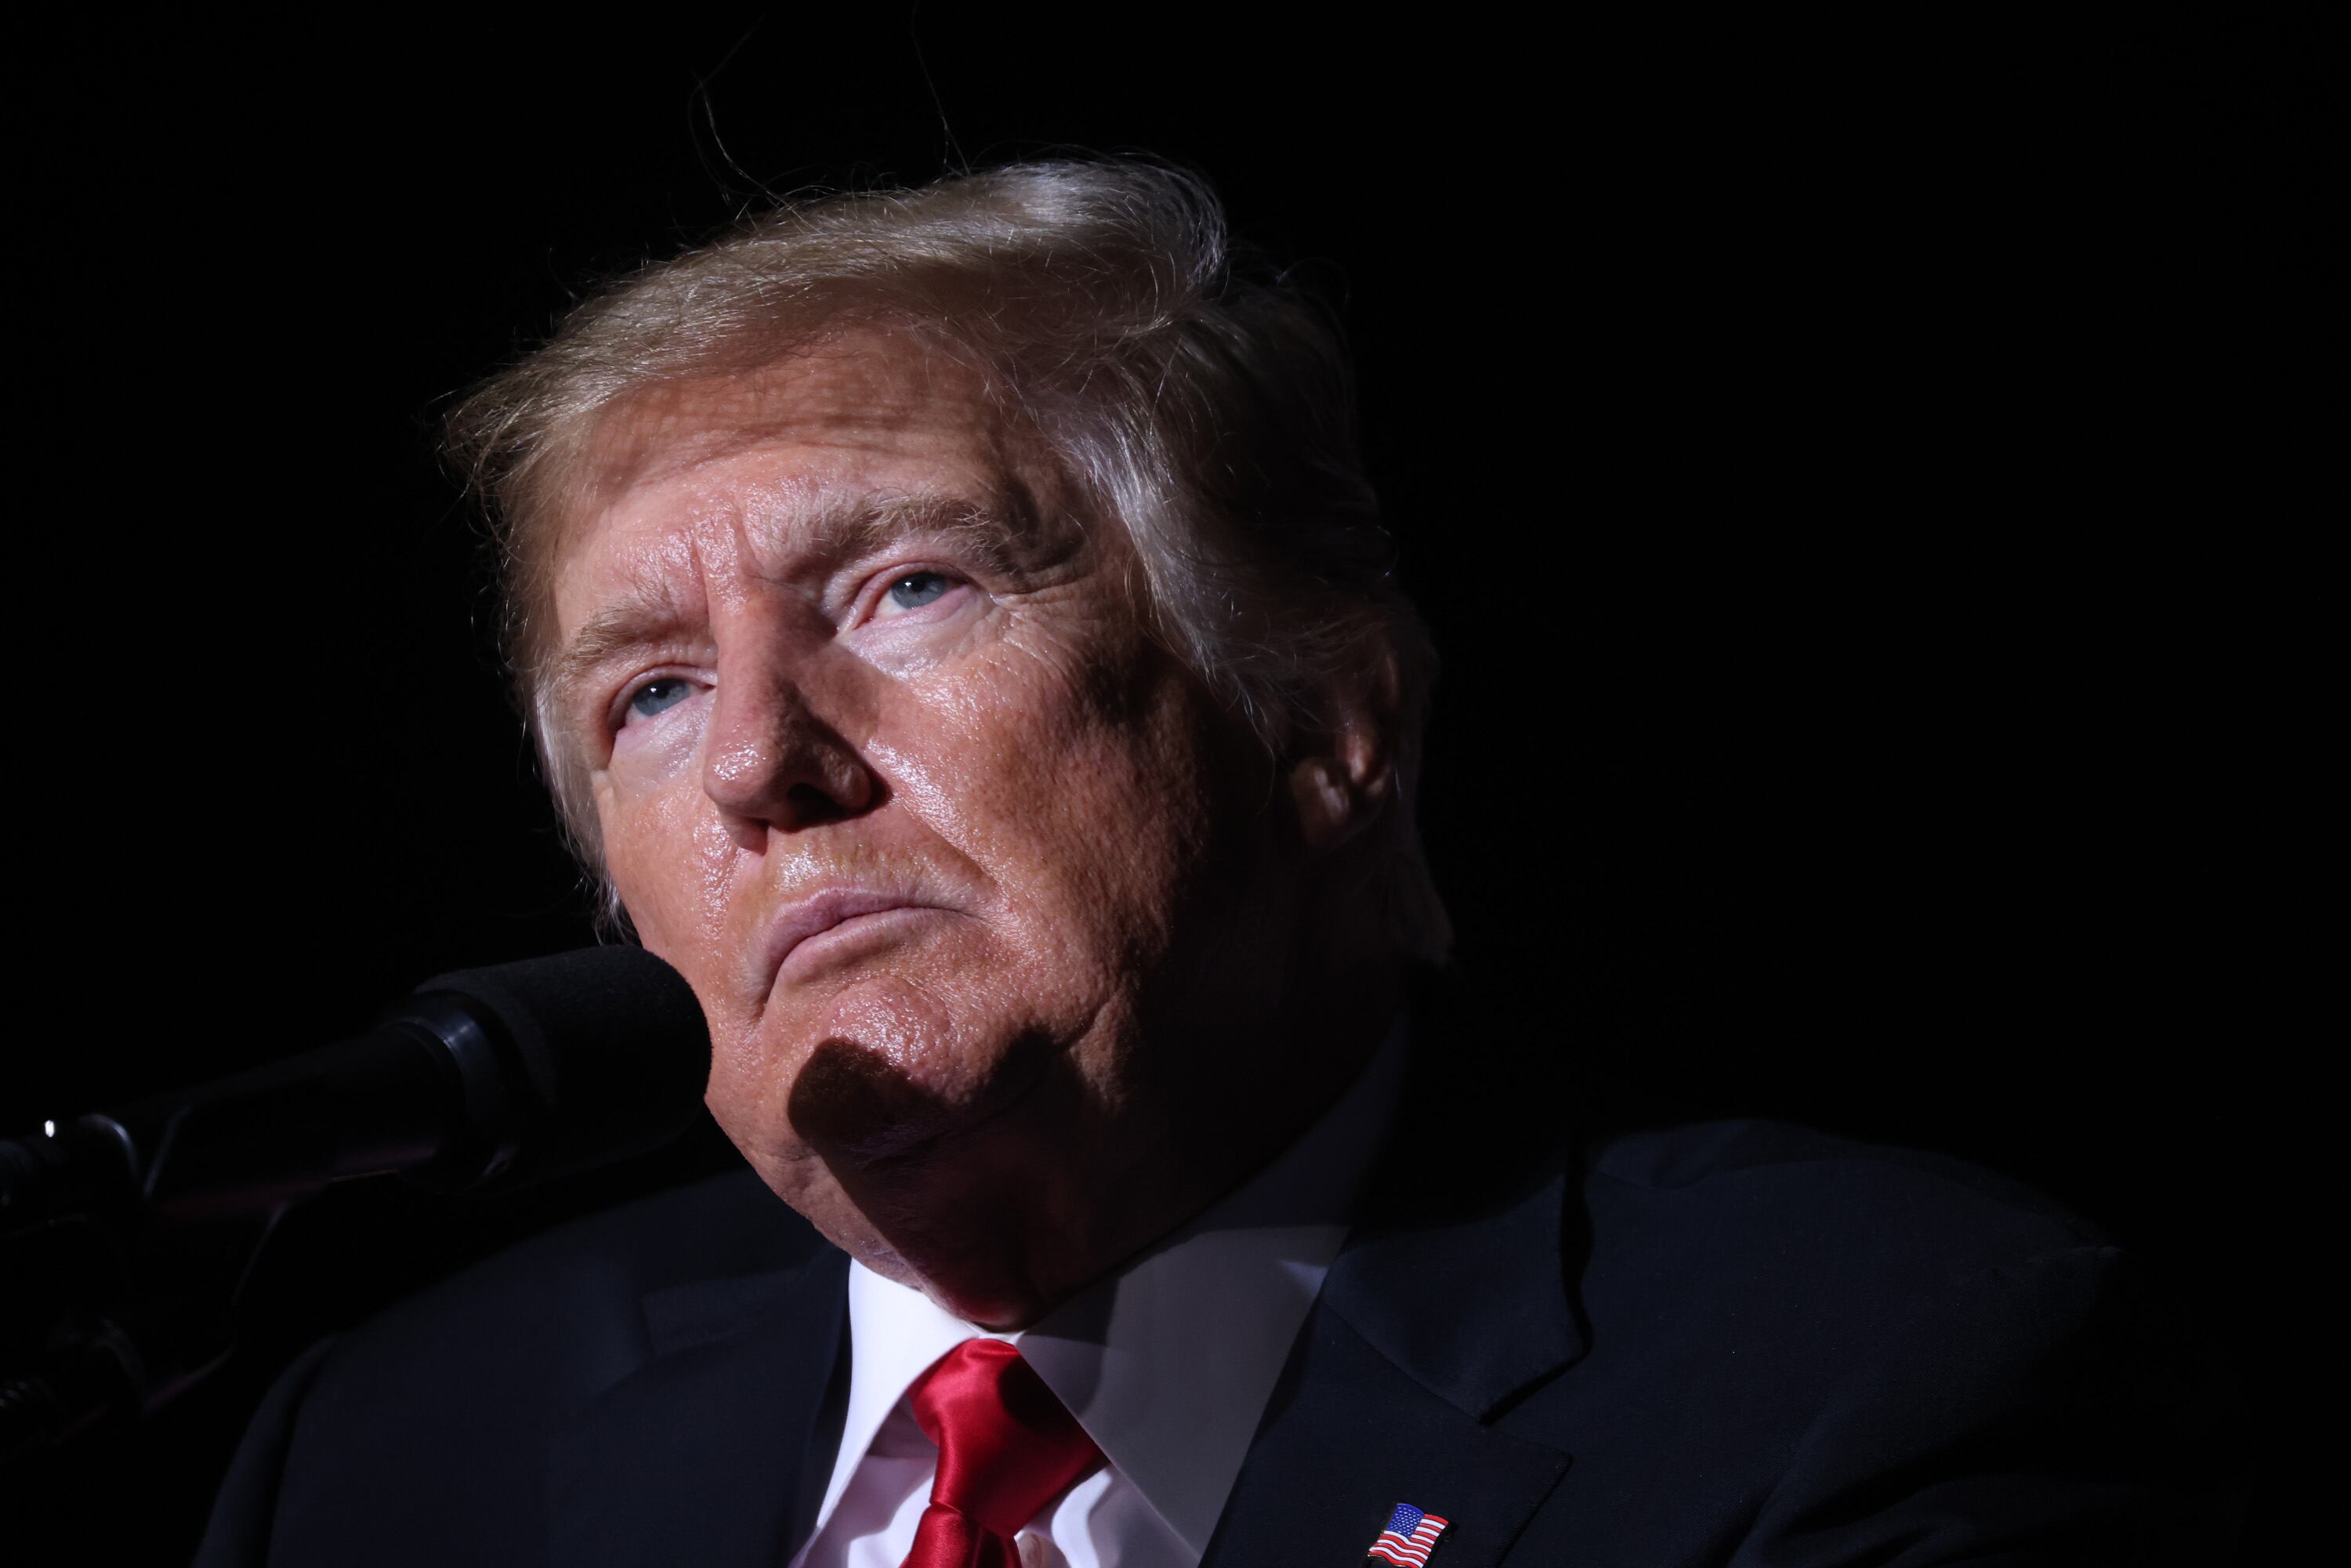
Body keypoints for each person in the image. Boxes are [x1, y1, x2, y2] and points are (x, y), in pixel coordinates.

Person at [194, 161, 2239, 1567]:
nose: (753, 759)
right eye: (642, 693)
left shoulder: (1861, 1374)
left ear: (1327, 724)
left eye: (909, 587)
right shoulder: (396, 1454)